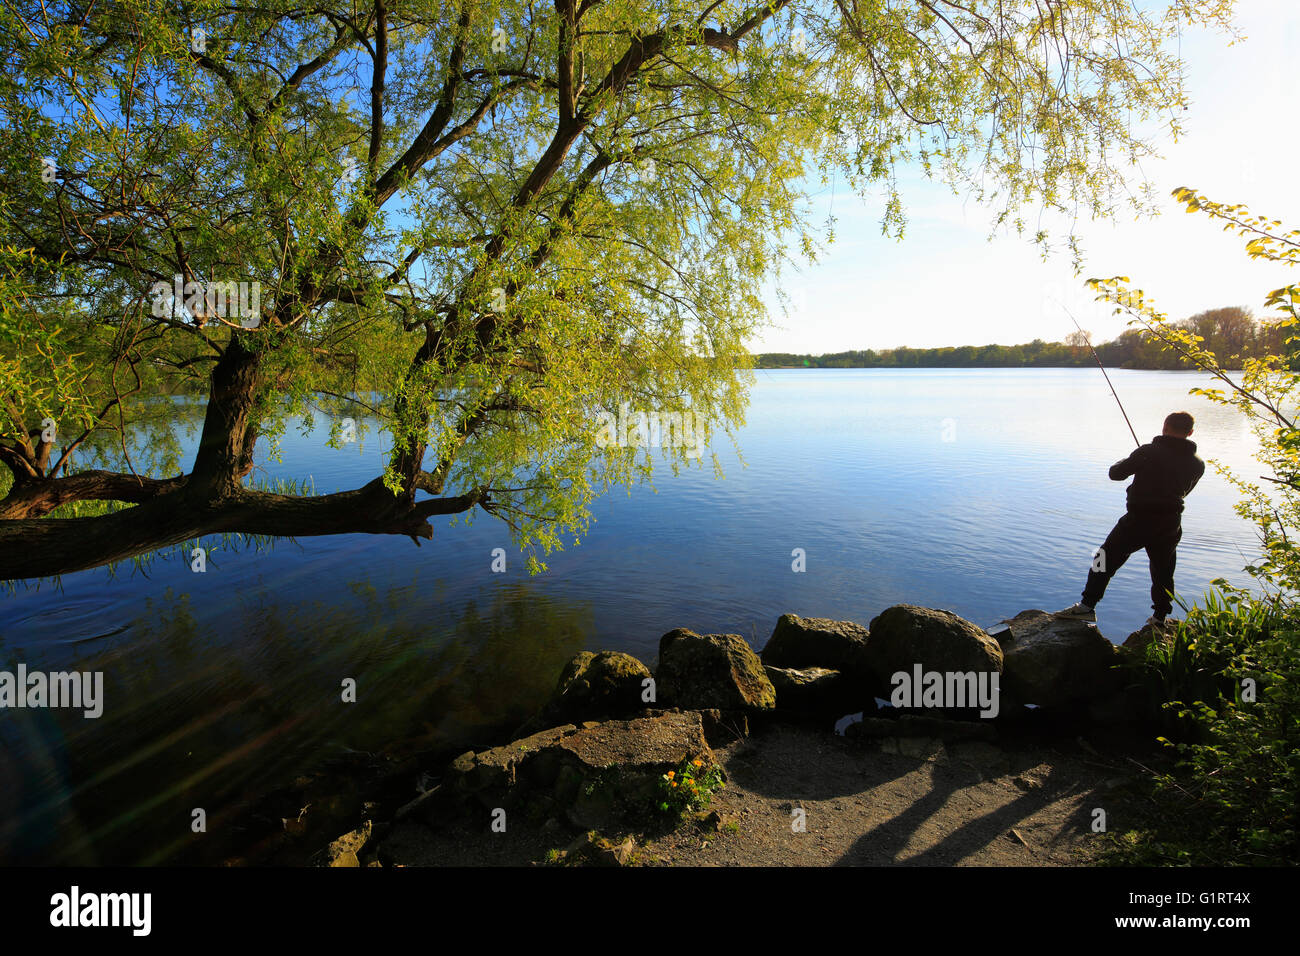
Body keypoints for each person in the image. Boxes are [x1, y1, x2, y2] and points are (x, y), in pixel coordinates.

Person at [1056, 411, 1206, 626]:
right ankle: (1159, 618)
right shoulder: (1197, 463)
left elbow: (1115, 473)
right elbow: (1182, 492)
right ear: (1190, 432)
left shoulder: (1148, 452)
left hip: (1138, 521)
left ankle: (1086, 607)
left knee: (1102, 559)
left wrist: (1131, 460)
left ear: (1164, 427)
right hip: (1170, 524)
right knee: (1163, 573)